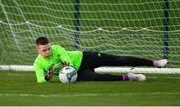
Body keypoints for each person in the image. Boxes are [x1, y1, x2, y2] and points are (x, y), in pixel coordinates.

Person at [34, 36, 168, 83]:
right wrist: (48, 76)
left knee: (117, 60)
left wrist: (66, 65)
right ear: (38, 50)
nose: (48, 51)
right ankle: (129, 77)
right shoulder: (38, 63)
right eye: (44, 50)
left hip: (84, 58)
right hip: (78, 73)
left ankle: (154, 63)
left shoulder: (57, 48)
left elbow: (66, 59)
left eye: (48, 48)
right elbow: (40, 80)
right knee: (97, 78)